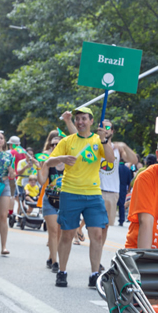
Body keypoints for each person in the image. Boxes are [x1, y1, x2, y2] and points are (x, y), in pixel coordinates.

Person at [45, 106, 115, 288]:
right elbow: (48, 161)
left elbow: (110, 160)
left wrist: (105, 139)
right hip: (70, 192)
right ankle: (62, 271)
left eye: (84, 118)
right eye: (78, 119)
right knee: (67, 234)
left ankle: (94, 274)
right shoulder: (68, 140)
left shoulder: (99, 140)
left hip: (93, 194)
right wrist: (63, 158)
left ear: (91, 121)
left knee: (97, 234)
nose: (81, 121)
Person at [99, 119, 138, 255]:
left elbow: (133, 160)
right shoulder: (94, 144)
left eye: (108, 127)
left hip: (112, 192)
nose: (105, 129)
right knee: (95, 228)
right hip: (95, 190)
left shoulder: (117, 149)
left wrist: (124, 146)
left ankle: (97, 256)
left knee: (104, 228)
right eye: (102, 127)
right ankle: (79, 232)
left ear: (112, 131)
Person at [37, 130, 65, 271]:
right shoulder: (48, 163)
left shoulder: (69, 162)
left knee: (60, 232)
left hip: (65, 200)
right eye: (53, 144)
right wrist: (38, 168)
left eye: (58, 144)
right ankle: (55, 262)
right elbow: (42, 181)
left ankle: (50, 257)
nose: (54, 147)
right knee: (53, 231)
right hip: (49, 198)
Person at [118, 160, 133, 226]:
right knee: (122, 204)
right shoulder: (127, 169)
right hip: (123, 188)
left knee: (114, 203)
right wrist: (128, 190)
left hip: (115, 186)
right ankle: (121, 220)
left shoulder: (117, 168)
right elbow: (129, 181)